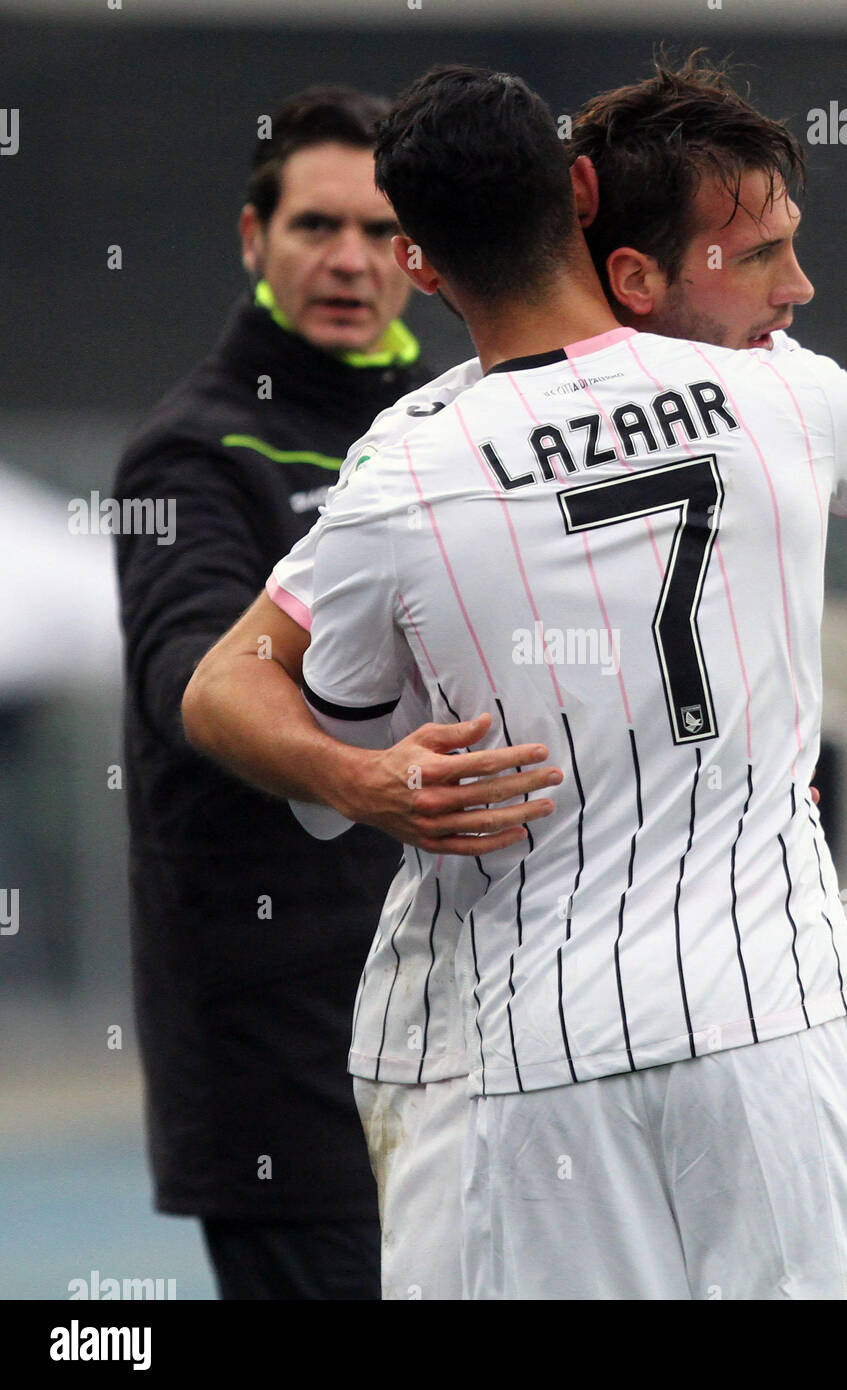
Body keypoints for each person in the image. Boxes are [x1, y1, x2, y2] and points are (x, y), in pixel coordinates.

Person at [189, 62, 847, 1299]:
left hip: (536, 1047)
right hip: (779, 1014)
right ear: (581, 195)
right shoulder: (775, 388)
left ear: (420, 267)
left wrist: (361, 779)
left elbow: (225, 690)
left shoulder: (404, 469)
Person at [114, 83, 447, 1300]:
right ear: (256, 241)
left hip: (443, 1009)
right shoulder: (194, 448)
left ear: (419, 254)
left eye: (378, 231)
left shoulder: (441, 430)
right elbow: (186, 685)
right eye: (315, 227)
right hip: (274, 1055)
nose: (349, 260)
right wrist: (366, 780)